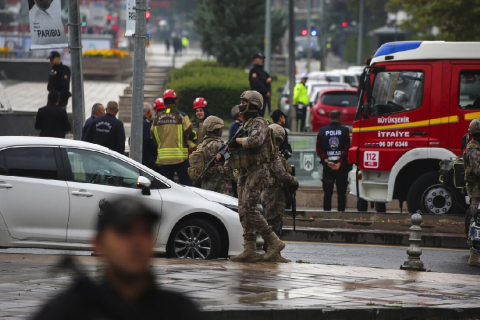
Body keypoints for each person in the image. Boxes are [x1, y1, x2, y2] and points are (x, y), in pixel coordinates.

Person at [32, 199, 201, 320]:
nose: (136, 242)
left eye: (145, 231)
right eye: (124, 231)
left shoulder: (178, 310)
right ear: (98, 244)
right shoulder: (67, 310)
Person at [227, 90, 285, 262]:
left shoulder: (259, 123)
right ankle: (250, 249)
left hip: (258, 171)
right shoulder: (246, 124)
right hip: (245, 171)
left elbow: (255, 141)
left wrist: (236, 142)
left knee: (250, 208)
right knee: (243, 210)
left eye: (244, 102)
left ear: (253, 104)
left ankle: (274, 241)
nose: (241, 105)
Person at [261, 124, 299, 262]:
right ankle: (273, 253)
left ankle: (269, 251)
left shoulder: (264, 152)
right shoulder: (273, 154)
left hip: (267, 193)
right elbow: (281, 174)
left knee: (269, 222)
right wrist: (294, 181)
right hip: (274, 194)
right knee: (274, 223)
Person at [151, 89, 195, 186]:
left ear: (164, 101)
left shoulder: (157, 118)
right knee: (187, 186)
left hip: (163, 159)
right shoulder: (181, 116)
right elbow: (190, 134)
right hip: (180, 158)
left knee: (167, 188)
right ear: (175, 101)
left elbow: (152, 136)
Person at [188, 116, 234, 196]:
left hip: (206, 185)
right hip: (221, 187)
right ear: (217, 130)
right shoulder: (218, 145)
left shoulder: (201, 145)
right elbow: (229, 166)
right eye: (220, 129)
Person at [316, 110, 350, 212]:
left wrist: (327, 161)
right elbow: (347, 148)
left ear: (329, 117)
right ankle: (341, 215)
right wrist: (339, 162)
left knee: (327, 193)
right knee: (341, 193)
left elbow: (319, 149)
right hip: (342, 168)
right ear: (340, 118)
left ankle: (326, 214)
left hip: (328, 168)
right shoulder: (345, 131)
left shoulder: (322, 131)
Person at [464, 118, 480, 267]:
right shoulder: (473, 149)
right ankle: (474, 254)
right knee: (477, 219)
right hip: (476, 188)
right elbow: (477, 169)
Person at [248, 52, 272, 117]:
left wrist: (269, 79)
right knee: (257, 116)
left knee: (261, 116)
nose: (262, 60)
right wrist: (266, 91)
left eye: (262, 59)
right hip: (257, 98)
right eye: (260, 58)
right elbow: (257, 83)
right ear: (254, 60)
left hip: (263, 98)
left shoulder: (262, 71)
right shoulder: (254, 71)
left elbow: (268, 78)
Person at [142, 103, 157, 169]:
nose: (153, 111)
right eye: (152, 110)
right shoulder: (147, 123)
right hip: (148, 159)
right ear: (148, 111)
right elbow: (148, 140)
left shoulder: (138, 121)